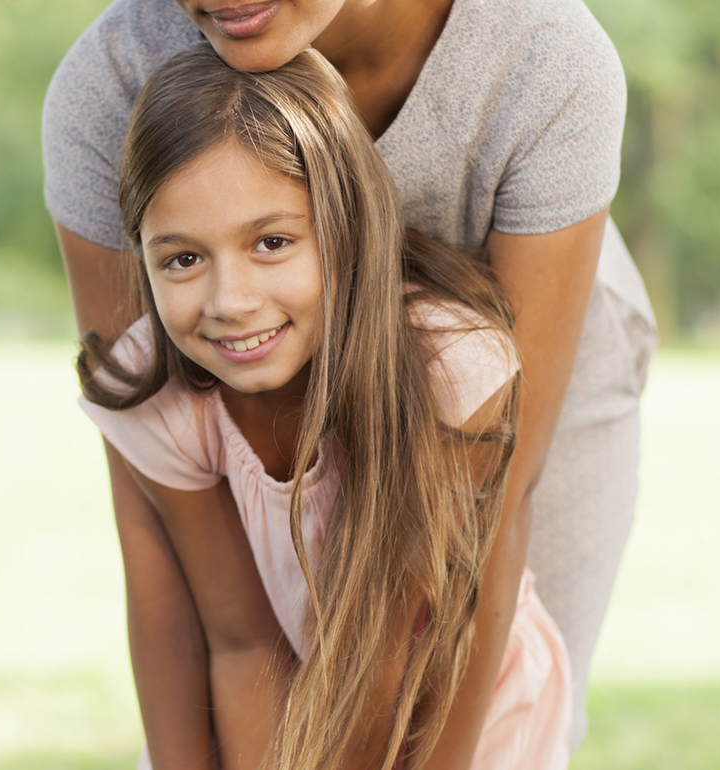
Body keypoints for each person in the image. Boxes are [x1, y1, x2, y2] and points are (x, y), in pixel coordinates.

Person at [43, 0, 658, 758]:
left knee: (504, 702)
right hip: (252, 412)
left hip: (499, 381)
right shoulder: (110, 82)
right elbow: (164, 526)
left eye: (270, 240)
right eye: (183, 258)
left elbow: (487, 529)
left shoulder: (543, 56)